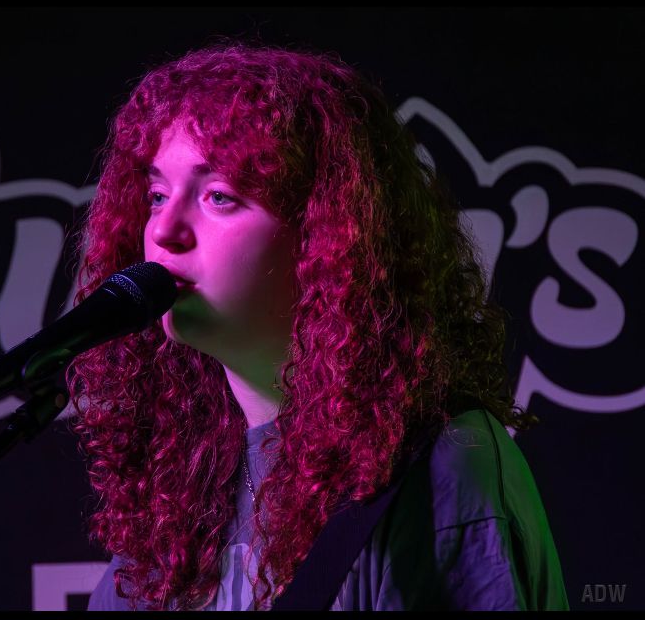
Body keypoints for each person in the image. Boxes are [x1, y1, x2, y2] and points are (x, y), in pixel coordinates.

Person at [67, 41, 569, 610]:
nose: (163, 230)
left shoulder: (444, 464)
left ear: (326, 237)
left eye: (219, 196)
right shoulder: (179, 499)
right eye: (157, 195)